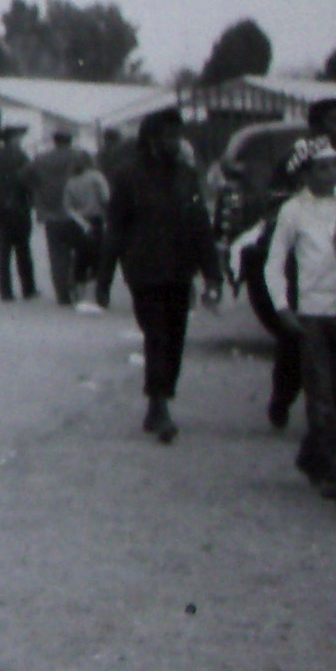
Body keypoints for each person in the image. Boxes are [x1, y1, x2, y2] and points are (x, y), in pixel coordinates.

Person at [98, 109, 220, 444]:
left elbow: (200, 224)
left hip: (180, 268)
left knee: (176, 337)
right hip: (144, 270)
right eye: (168, 136)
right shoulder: (127, 177)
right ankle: (159, 404)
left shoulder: (186, 175)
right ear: (151, 139)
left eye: (178, 135)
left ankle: (160, 399)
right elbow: (114, 229)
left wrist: (213, 274)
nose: (175, 142)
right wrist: (104, 280)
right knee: (157, 335)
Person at [269, 138, 336, 506]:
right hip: (313, 313)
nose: (332, 174)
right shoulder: (293, 211)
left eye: (335, 166)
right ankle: (334, 472)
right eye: (323, 168)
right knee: (321, 395)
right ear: (306, 174)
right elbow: (274, 263)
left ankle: (313, 455)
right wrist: (283, 306)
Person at [27, 129, 83, 306]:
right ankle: (78, 288)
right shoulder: (80, 156)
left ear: (54, 141)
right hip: (78, 213)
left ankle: (62, 293)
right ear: (70, 140)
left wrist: (38, 192)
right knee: (81, 251)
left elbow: (23, 176)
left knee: (57, 255)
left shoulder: (41, 159)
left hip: (51, 213)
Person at [0, 123, 38, 302]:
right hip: (19, 207)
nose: (20, 140)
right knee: (23, 249)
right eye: (18, 137)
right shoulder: (21, 157)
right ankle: (28, 288)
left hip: (0, 208)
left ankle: (5, 290)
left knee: (3, 251)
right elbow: (29, 180)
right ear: (12, 139)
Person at [63, 151, 112, 307]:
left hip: (78, 222)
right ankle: (97, 295)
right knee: (98, 258)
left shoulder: (71, 181)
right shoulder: (96, 177)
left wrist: (80, 220)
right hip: (96, 220)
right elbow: (105, 198)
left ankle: (79, 295)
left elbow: (68, 207)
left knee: (80, 258)